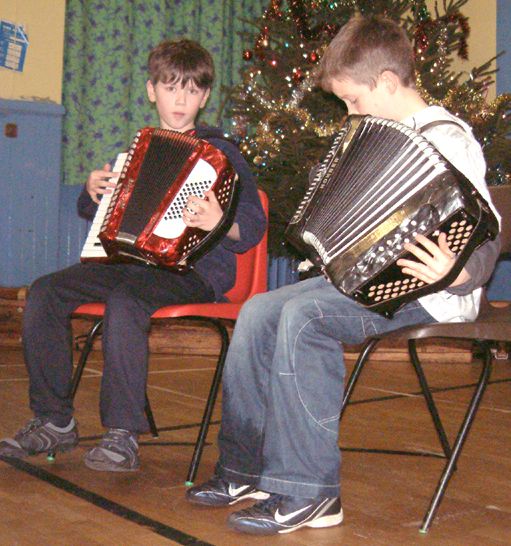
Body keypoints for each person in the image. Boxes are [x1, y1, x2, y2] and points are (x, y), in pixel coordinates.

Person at [185, 16, 502, 536]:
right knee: (260, 309)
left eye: (353, 101)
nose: (349, 112)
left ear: (386, 83)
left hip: (433, 290)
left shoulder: (449, 138)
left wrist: (459, 271)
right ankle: (244, 470)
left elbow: (487, 232)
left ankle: (311, 493)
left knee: (305, 317)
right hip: (369, 283)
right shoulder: (378, 135)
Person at [0, 39, 266, 472]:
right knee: (46, 291)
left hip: (191, 271)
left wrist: (219, 221)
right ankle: (54, 420)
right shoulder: (138, 150)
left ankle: (122, 434)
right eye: (170, 87)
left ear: (205, 96)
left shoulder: (225, 155)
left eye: (192, 90)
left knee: (127, 300)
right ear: (151, 90)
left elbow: (251, 227)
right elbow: (102, 213)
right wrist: (91, 193)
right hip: (127, 264)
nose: (180, 99)